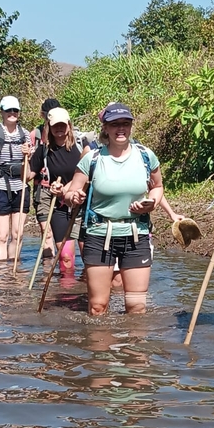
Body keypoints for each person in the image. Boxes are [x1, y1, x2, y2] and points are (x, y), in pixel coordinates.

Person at [63, 102, 163, 315]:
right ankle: (100, 347)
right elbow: (71, 193)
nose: (121, 129)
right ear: (105, 128)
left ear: (131, 126)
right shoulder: (92, 159)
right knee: (98, 306)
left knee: (137, 307)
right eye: (114, 124)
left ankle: (134, 348)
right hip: (99, 235)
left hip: (136, 235)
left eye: (125, 123)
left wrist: (151, 203)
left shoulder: (146, 156)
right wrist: (75, 196)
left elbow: (158, 187)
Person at [26, 107, 88, 273]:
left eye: (62, 124)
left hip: (83, 204)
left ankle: (87, 292)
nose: (59, 129)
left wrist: (67, 189)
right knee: (65, 257)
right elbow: (27, 176)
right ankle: (67, 295)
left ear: (69, 124)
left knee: (88, 256)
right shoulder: (44, 150)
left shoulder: (83, 145)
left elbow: (89, 173)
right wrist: (24, 157)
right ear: (49, 127)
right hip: (59, 206)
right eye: (55, 126)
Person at [0, 96, 32, 261]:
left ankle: (14, 268)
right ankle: (2, 275)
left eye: (15, 110)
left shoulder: (25, 134)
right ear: (2, 112)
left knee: (17, 234)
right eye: (8, 110)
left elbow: (29, 165)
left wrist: (27, 154)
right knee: (2, 236)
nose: (12, 113)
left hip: (21, 186)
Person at [30, 98, 61, 258]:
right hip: (42, 188)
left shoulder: (67, 132)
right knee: (46, 232)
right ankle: (48, 270)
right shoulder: (35, 134)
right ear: (43, 115)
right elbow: (30, 165)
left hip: (64, 188)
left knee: (62, 235)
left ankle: (64, 273)